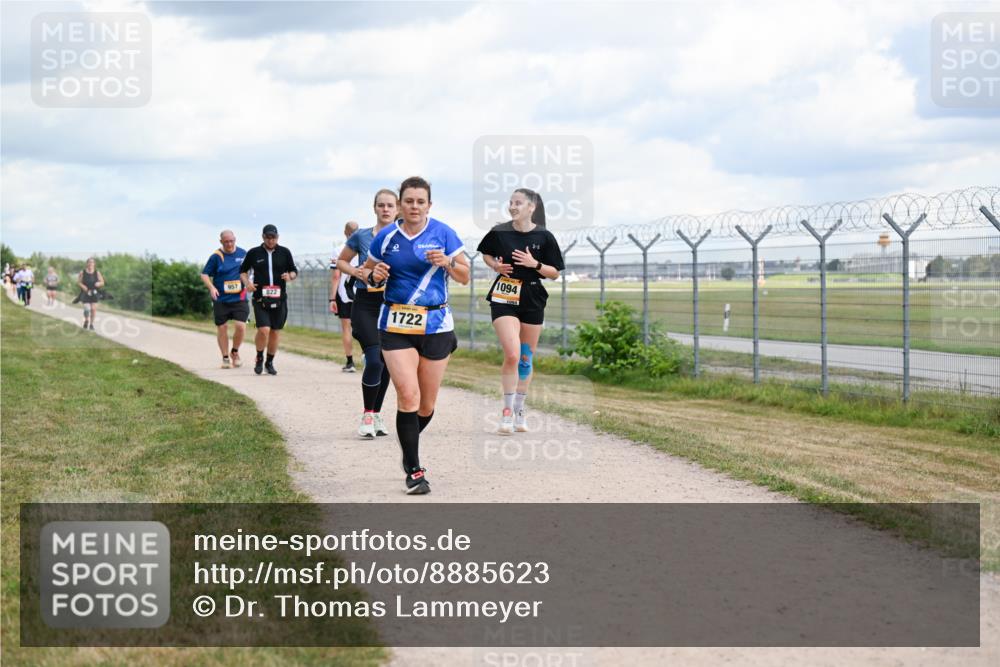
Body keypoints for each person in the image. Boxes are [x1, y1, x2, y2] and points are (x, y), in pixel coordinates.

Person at [363, 176, 470, 495]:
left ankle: (408, 439)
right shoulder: (386, 237)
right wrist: (375, 275)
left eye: (420, 201)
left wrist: (448, 262)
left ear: (429, 205)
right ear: (399, 204)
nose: (414, 207)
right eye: (408, 201)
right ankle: (414, 469)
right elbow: (369, 275)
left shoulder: (443, 232)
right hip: (396, 324)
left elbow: (464, 276)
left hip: (436, 324)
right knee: (407, 395)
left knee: (426, 404)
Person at [477, 188, 564, 434]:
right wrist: (495, 264)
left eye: (518, 203)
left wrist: (534, 264)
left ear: (531, 207)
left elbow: (555, 273)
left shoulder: (544, 236)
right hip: (505, 295)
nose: (512, 206)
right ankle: (506, 411)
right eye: (511, 202)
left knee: (525, 358)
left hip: (533, 296)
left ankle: (519, 410)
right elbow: (486, 253)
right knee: (513, 354)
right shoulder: (499, 232)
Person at [335, 189, 398, 439]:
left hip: (394, 304)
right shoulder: (361, 236)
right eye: (381, 205)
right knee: (374, 359)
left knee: (387, 364)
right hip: (366, 303)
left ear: (397, 209)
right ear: (375, 208)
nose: (385, 209)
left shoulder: (403, 237)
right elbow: (342, 262)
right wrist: (357, 272)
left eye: (390, 205)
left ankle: (377, 413)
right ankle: (367, 414)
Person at [240, 224, 298, 376]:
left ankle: (269, 362)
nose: (271, 240)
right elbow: (243, 271)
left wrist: (290, 276)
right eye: (268, 237)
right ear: (263, 237)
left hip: (280, 298)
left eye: (273, 237)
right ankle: (259, 356)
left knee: (275, 332)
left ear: (277, 237)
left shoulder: (285, 252)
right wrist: (248, 284)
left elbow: (294, 271)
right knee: (264, 329)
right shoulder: (254, 253)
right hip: (260, 298)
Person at [201, 230, 249, 369]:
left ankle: (234, 352)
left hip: (239, 297)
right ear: (221, 241)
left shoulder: (243, 254)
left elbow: (250, 271)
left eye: (231, 241)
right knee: (222, 327)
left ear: (235, 239)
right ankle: (225, 357)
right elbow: (204, 274)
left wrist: (249, 283)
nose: (229, 244)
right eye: (226, 241)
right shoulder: (216, 256)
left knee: (241, 326)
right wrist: (211, 288)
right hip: (221, 298)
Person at [330, 221, 360, 372]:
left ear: (345, 233)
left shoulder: (339, 250)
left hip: (344, 294)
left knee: (346, 328)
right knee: (365, 327)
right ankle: (368, 356)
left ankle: (350, 362)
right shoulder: (365, 246)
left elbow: (336, 276)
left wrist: (332, 298)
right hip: (362, 291)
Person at [77, 258, 104, 329]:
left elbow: (102, 282)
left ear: (94, 264)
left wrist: (99, 283)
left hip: (94, 293)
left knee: (93, 309)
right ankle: (86, 320)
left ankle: (91, 324)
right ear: (87, 263)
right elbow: (79, 282)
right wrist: (83, 286)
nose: (90, 264)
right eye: (89, 262)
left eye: (92, 262)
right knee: (87, 309)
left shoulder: (97, 272)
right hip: (85, 293)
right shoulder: (82, 272)